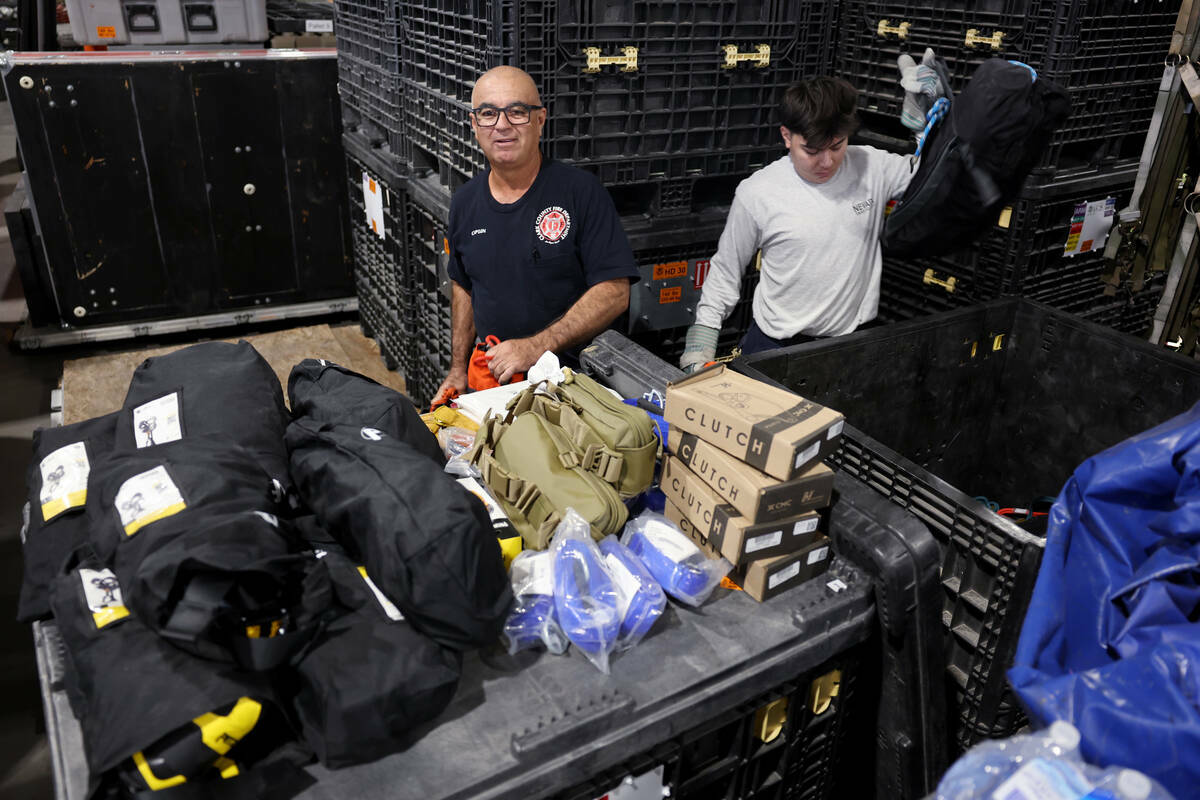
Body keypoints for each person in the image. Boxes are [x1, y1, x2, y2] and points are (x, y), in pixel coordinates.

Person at [431, 66, 639, 406]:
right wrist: (457, 368)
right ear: (474, 125)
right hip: (494, 382)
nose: (501, 125)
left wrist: (535, 347)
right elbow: (463, 285)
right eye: (488, 113)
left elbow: (615, 292)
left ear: (540, 119)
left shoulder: (580, 192)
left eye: (516, 112)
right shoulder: (465, 202)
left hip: (574, 385)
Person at [679, 76, 916, 371]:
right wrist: (700, 344)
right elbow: (727, 268)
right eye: (812, 151)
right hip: (775, 347)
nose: (827, 162)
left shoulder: (873, 166)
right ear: (787, 136)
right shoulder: (759, 192)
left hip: (849, 344)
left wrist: (925, 130)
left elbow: (932, 179)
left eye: (837, 146)